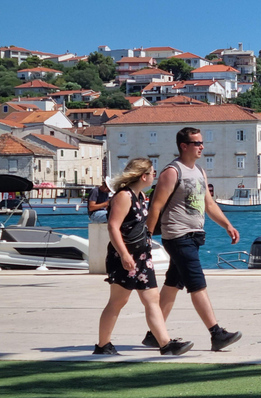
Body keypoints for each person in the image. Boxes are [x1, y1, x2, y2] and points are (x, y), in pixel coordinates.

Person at [144, 127, 242, 351]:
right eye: (197, 143)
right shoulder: (172, 171)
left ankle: (153, 334)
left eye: (201, 142)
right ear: (184, 146)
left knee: (172, 284)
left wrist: (227, 225)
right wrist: (147, 237)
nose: (201, 146)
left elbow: (209, 204)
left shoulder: (199, 171)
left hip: (195, 235)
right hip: (177, 235)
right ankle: (216, 334)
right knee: (197, 284)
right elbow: (156, 206)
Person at [94, 158, 193, 356]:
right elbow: (113, 226)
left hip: (141, 256)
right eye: (152, 173)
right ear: (143, 176)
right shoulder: (124, 197)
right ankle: (103, 345)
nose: (154, 176)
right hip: (125, 256)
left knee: (152, 299)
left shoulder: (139, 196)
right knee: (117, 301)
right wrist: (123, 254)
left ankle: (165, 344)